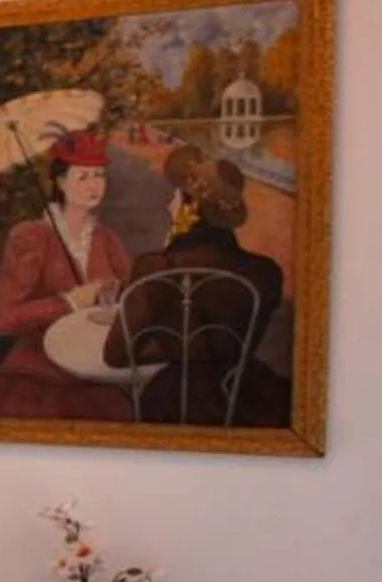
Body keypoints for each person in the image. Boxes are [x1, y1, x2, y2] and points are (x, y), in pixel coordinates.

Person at [112, 150, 288, 426]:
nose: (169, 204)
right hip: (248, 394)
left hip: (177, 401)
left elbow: (117, 356)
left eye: (175, 196)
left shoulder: (156, 268)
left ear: (187, 208)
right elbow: (238, 342)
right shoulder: (265, 271)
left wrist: (173, 347)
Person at [0, 128, 135, 420]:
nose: (95, 185)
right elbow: (3, 320)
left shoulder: (106, 238)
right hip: (39, 373)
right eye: (83, 176)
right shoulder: (30, 237)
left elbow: (133, 295)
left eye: (99, 175)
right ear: (59, 181)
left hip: (94, 367)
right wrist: (67, 302)